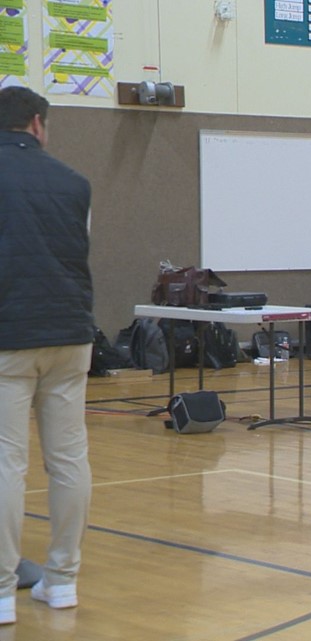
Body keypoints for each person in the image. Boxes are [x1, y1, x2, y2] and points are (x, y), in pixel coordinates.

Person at [0, 86, 94, 623]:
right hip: (70, 335)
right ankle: (62, 580)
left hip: (9, 338)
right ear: (37, 124)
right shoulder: (75, 184)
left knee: (8, 463)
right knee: (68, 460)